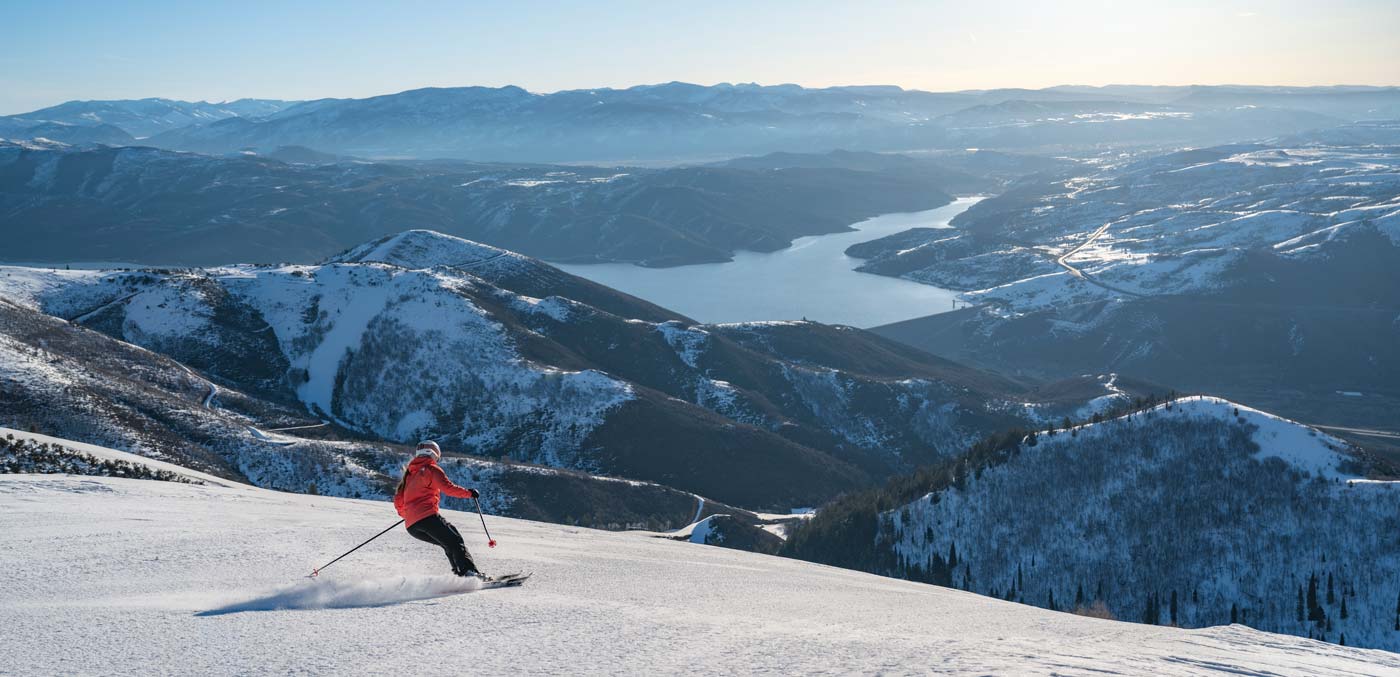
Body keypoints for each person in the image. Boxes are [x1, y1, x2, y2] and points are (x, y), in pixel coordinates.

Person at [394, 440, 484, 578]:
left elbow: (398, 502)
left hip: (412, 527)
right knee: (454, 540)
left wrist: (410, 515)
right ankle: (469, 573)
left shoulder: (409, 475)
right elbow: (448, 488)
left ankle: (461, 574)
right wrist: (469, 493)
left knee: (448, 543)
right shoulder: (431, 469)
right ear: (434, 454)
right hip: (427, 518)